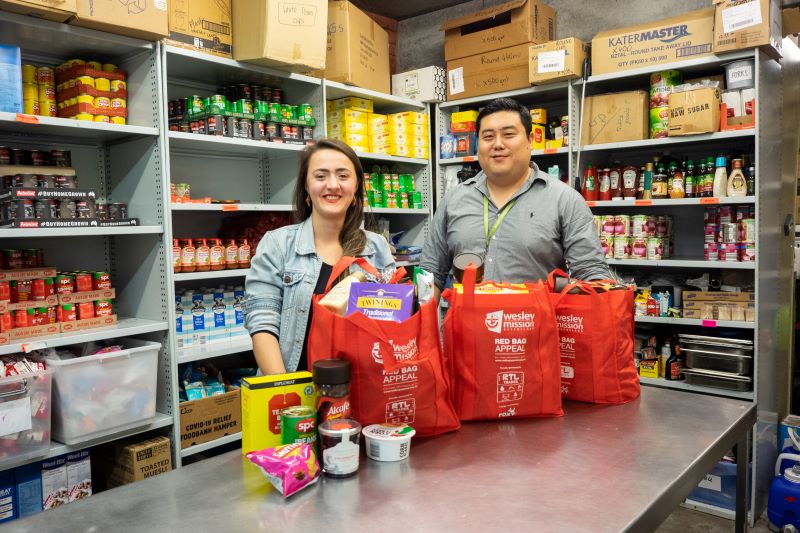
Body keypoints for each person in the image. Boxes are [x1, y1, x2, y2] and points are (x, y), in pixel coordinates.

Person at [420, 97, 610, 291]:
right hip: (465, 321)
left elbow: (591, 273)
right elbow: (430, 273)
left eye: (509, 134)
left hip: (532, 320)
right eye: (488, 137)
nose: (498, 144)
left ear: (530, 141)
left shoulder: (565, 200)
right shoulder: (454, 199)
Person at [245, 139, 395, 375]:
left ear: (356, 186)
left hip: (362, 389)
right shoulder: (278, 244)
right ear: (306, 186)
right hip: (294, 387)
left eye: (343, 176)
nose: (333, 185)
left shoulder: (376, 247)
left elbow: (391, 325)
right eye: (321, 176)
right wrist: (286, 393)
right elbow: (262, 321)